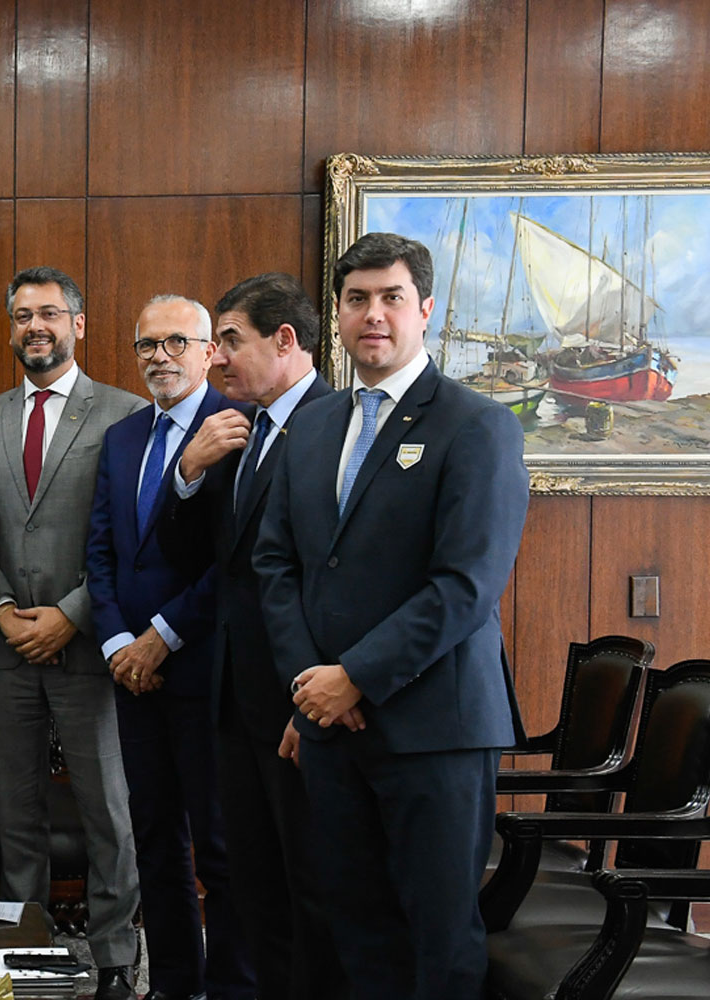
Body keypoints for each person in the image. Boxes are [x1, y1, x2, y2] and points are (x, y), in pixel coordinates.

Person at [253, 233, 528, 1000]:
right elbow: (275, 563)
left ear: (425, 310)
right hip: (331, 729)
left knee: (438, 940)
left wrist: (356, 677)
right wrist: (311, 685)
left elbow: (466, 584)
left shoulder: (477, 425)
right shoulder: (313, 426)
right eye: (356, 299)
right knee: (356, 934)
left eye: (391, 298)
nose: (373, 314)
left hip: (434, 727)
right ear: (338, 315)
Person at [0, 267, 144, 1000]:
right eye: (21, 316)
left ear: (78, 324)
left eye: (48, 313)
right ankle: (26, 944)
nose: (34, 326)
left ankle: (115, 957)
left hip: (89, 643)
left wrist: (72, 613)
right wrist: (3, 609)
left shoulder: (127, 414)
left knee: (107, 809)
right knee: (17, 809)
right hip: (3, 643)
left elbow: (133, 536)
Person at [165, 273, 342, 999]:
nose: (215, 359)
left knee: (312, 892)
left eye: (230, 341)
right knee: (251, 885)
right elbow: (196, 556)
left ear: (286, 340)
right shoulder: (239, 429)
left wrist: (308, 698)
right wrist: (189, 469)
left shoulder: (337, 424)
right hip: (235, 700)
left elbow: (335, 580)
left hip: (303, 701)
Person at [86, 295, 254, 1000]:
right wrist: (119, 642)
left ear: (210, 350)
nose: (160, 357)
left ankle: (233, 987)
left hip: (205, 668)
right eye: (147, 345)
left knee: (218, 846)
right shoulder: (123, 437)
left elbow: (233, 559)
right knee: (153, 839)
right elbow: (101, 551)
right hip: (132, 674)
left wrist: (161, 637)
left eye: (176, 342)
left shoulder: (238, 426)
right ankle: (174, 986)